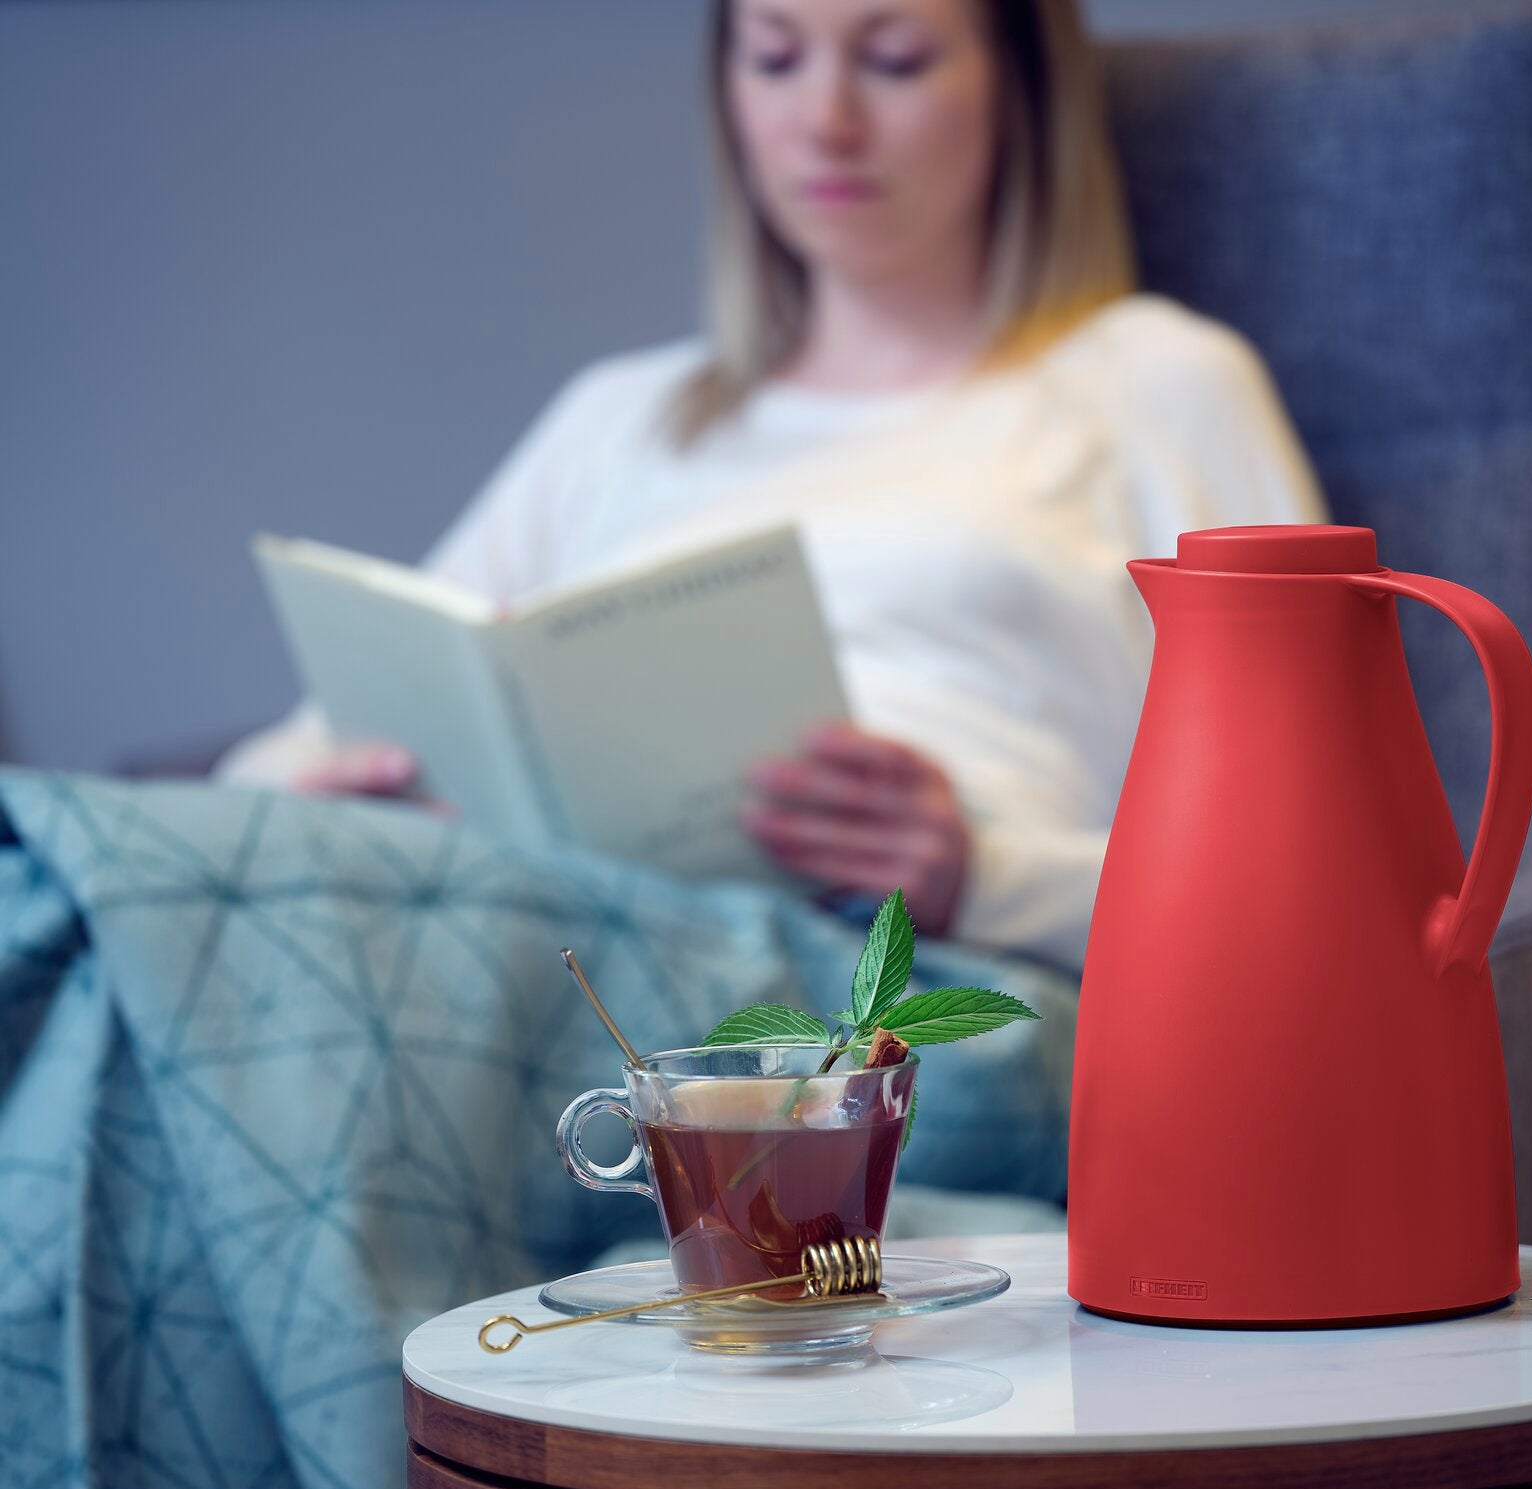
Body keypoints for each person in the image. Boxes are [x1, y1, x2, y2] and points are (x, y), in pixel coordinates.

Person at [218, 0, 1323, 973]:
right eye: (774, 56)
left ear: (1022, 92)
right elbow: (290, 752)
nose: (822, 122)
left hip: (903, 982)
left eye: (892, 60)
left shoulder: (1149, 379)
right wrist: (325, 803)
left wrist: (979, 876)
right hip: (547, 944)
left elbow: (1314, 862)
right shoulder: (621, 415)